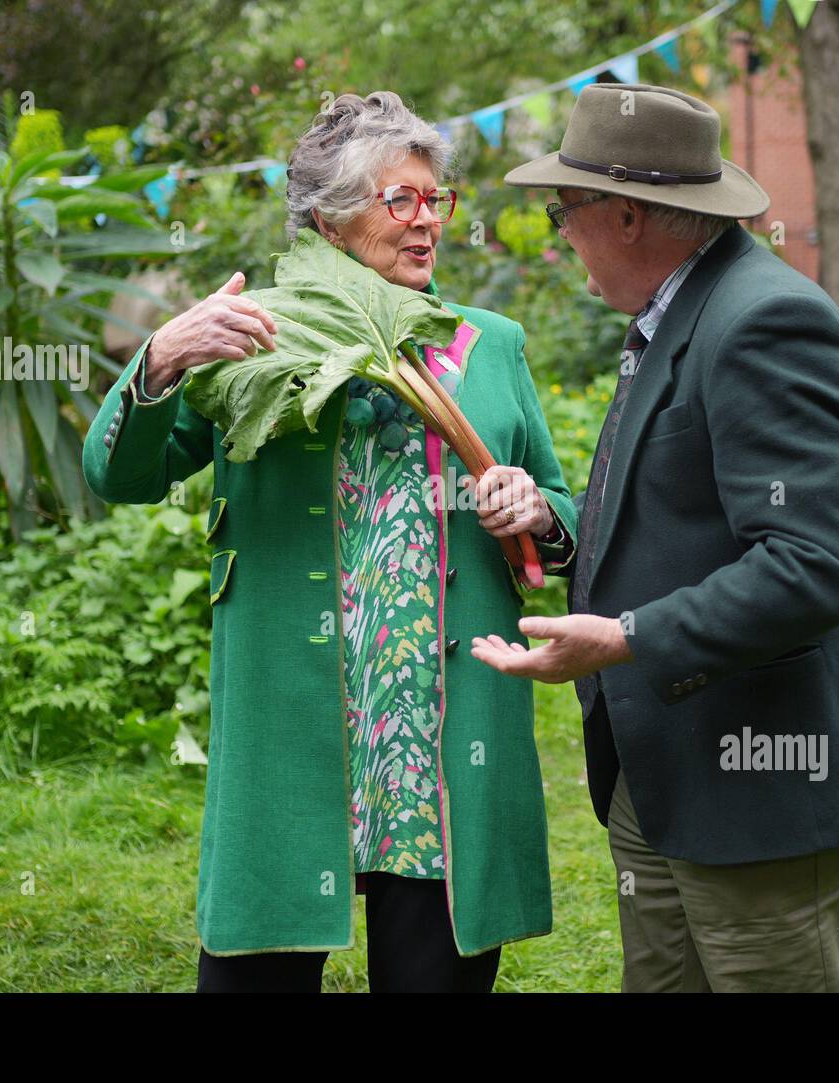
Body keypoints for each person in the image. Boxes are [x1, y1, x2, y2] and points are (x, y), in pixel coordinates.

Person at [82, 91, 577, 993]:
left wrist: (535, 510)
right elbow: (119, 476)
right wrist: (159, 359)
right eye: (402, 201)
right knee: (258, 970)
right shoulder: (253, 334)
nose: (428, 222)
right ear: (327, 219)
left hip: (436, 727)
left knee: (434, 976)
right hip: (294, 709)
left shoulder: (489, 342)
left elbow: (559, 501)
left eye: (438, 200)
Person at [472, 83, 839, 992]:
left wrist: (628, 639)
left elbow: (813, 566)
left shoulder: (764, 324)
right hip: (667, 773)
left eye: (563, 211)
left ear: (627, 215)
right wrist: (553, 531)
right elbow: (667, 513)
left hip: (762, 795)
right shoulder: (676, 311)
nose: (559, 235)